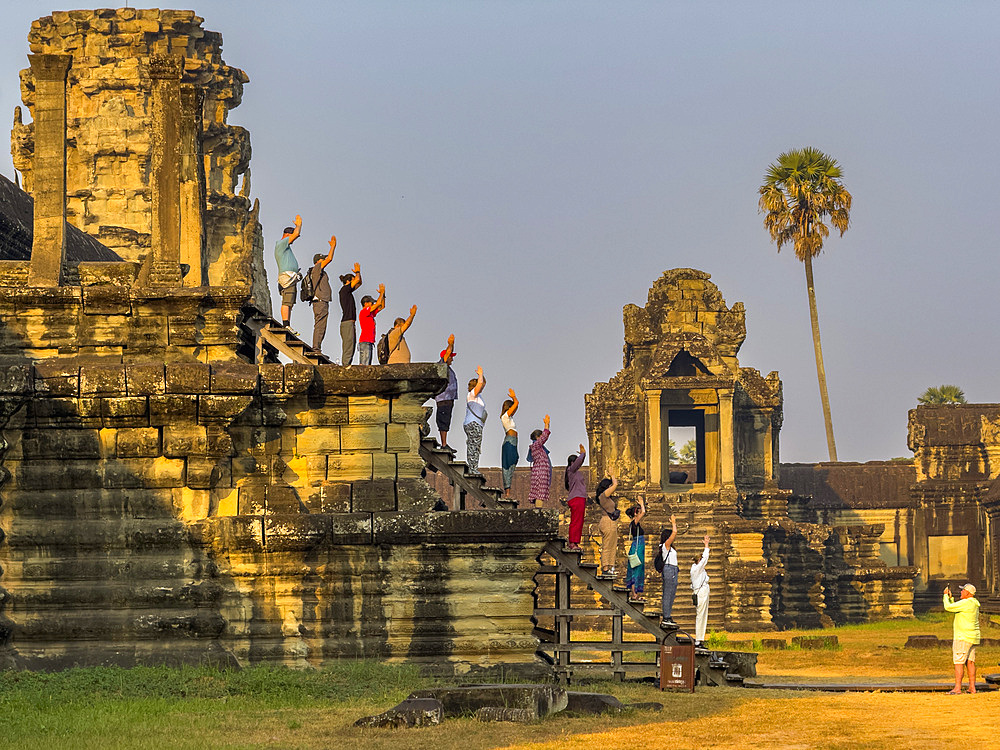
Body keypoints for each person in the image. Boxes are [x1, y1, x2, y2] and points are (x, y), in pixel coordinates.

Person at [943, 583, 981, 694]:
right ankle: (972, 687)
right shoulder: (974, 603)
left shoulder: (966, 603)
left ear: (968, 593)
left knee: (958, 662)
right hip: (973, 637)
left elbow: (948, 607)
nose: (961, 592)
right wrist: (951, 598)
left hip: (963, 637)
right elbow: (955, 607)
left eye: (963, 590)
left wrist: (945, 596)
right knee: (970, 662)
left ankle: (957, 688)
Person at [308, 235, 337, 353]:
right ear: (317, 262)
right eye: (322, 259)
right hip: (319, 302)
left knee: (321, 326)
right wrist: (333, 247)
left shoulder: (319, 271)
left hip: (321, 301)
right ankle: (316, 348)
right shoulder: (316, 269)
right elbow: (329, 259)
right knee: (320, 326)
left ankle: (317, 347)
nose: (324, 261)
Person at [274, 215, 302, 330]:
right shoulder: (281, 244)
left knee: (289, 302)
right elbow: (295, 235)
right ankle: (286, 325)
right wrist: (299, 225)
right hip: (287, 277)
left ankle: (287, 324)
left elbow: (295, 235)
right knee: (286, 301)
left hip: (290, 277)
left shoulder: (286, 247)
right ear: (287, 235)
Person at [595, 473, 620, 578]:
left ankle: (610, 567)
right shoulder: (603, 496)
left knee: (612, 546)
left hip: (610, 522)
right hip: (607, 522)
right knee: (607, 546)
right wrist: (613, 475)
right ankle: (605, 568)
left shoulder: (605, 497)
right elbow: (615, 485)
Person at [434, 335, 457, 447]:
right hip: (443, 398)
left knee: (446, 421)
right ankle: (443, 444)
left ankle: (444, 443)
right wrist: (451, 344)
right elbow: (447, 353)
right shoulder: (442, 365)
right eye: (451, 357)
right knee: (443, 421)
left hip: (448, 399)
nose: (452, 359)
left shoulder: (448, 368)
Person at [463, 366, 487, 474]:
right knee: (473, 446)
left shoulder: (478, 397)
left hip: (476, 423)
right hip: (473, 423)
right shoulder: (472, 394)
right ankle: (472, 469)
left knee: (474, 446)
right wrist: (480, 375)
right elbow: (480, 384)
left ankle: (474, 468)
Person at [564, 444, 587, 552]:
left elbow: (579, 463)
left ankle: (575, 541)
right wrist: (583, 454)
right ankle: (572, 542)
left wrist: (583, 455)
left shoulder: (575, 472)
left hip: (580, 497)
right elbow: (578, 463)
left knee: (579, 521)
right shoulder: (571, 470)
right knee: (576, 521)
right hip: (576, 498)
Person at [338, 262, 362, 365]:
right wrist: (357, 272)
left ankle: (347, 364)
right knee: (348, 345)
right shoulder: (344, 290)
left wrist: (357, 275)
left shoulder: (347, 291)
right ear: (348, 281)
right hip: (347, 322)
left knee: (352, 344)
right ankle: (345, 365)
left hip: (350, 323)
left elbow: (359, 282)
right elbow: (357, 281)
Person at [657, 514, 679, 628]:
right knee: (667, 594)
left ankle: (668, 616)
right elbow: (674, 533)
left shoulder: (669, 547)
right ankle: (666, 617)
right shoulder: (665, 545)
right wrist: (673, 522)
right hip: (669, 569)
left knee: (671, 594)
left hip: (674, 570)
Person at [624, 497, 646, 602]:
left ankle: (635, 594)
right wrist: (642, 503)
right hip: (638, 547)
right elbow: (644, 512)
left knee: (636, 570)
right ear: (636, 514)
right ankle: (634, 594)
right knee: (636, 570)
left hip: (638, 547)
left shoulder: (634, 524)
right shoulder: (634, 522)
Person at [357, 283, 385, 365]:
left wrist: (383, 295)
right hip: (365, 341)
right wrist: (381, 293)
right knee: (365, 365)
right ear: (365, 303)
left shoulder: (370, 313)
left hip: (369, 342)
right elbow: (378, 304)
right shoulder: (364, 312)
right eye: (371, 303)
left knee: (367, 364)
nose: (373, 304)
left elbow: (382, 306)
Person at [527, 415, 551, 508]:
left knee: (540, 493)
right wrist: (546, 425)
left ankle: (538, 510)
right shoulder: (535, 446)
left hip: (540, 472)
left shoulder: (538, 448)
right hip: (540, 472)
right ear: (537, 437)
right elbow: (545, 436)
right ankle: (538, 512)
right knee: (539, 494)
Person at [690, 535, 711, 646]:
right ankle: (699, 639)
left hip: (702, 592)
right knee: (700, 615)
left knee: (703, 615)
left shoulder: (697, 569)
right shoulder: (696, 568)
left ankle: (700, 638)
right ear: (699, 560)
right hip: (701, 593)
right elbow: (705, 560)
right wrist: (706, 545)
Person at [500, 389, 519, 498]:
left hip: (513, 441)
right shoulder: (505, 417)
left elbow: (516, 406)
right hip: (509, 441)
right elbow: (516, 404)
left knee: (513, 462)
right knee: (507, 465)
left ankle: (508, 489)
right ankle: (507, 491)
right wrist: (514, 397)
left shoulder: (510, 418)